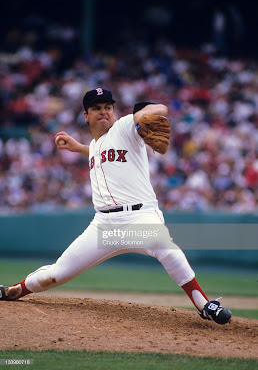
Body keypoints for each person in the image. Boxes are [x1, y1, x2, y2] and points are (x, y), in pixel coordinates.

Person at [0, 87, 232, 325]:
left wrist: (142, 116)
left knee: (164, 246)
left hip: (139, 217)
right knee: (57, 275)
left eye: (107, 107)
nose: (103, 111)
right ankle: (13, 290)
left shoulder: (124, 127)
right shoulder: (94, 146)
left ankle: (204, 305)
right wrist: (77, 147)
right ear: (86, 116)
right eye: (96, 108)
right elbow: (99, 150)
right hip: (104, 227)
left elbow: (160, 109)